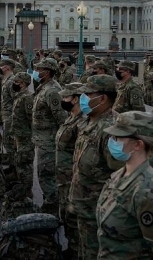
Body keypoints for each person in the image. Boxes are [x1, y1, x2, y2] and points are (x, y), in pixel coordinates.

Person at [97, 111, 153, 259]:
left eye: (118, 138)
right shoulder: (119, 175)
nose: (112, 141)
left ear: (137, 144)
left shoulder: (148, 190)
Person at [69, 75, 123, 259]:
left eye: (87, 94)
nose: (82, 98)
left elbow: (118, 174)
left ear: (102, 99)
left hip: (97, 211)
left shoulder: (111, 130)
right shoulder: (87, 121)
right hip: (83, 205)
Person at [31, 58, 66, 215]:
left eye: (40, 69)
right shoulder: (44, 87)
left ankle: (51, 208)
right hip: (43, 138)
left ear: (48, 71)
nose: (37, 72)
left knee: (46, 175)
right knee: (44, 174)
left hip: (49, 140)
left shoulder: (52, 90)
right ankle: (49, 204)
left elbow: (61, 118)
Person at [56, 82, 85, 260]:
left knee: (73, 219)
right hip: (64, 177)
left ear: (75, 99)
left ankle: (76, 252)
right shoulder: (71, 117)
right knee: (66, 216)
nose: (63, 100)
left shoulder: (81, 121)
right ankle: (72, 248)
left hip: (73, 178)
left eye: (66, 97)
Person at [10, 72, 35, 197]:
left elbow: (31, 119)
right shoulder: (19, 96)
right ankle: (23, 187)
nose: (14, 84)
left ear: (23, 83)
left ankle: (27, 191)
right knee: (20, 162)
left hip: (26, 137)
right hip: (19, 136)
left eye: (16, 82)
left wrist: (30, 137)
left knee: (25, 164)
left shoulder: (27, 98)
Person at [0, 58, 18, 162]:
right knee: (7, 139)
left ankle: (13, 163)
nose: (0, 68)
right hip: (6, 113)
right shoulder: (6, 79)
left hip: (10, 115)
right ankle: (11, 160)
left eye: (1, 66)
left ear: (7, 67)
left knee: (9, 140)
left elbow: (16, 99)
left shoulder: (11, 81)